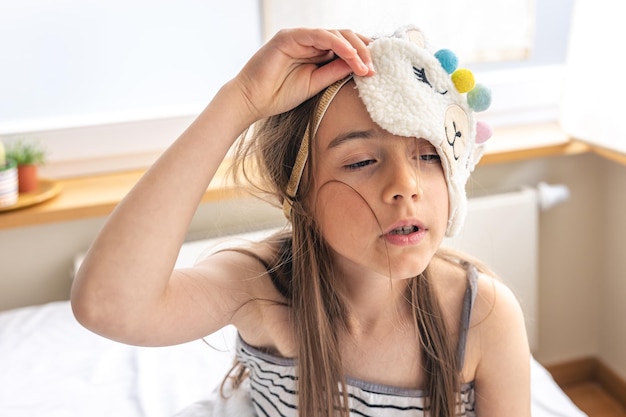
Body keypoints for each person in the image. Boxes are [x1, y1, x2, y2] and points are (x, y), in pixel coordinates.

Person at [71, 24, 531, 417]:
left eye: (428, 155)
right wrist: (240, 100)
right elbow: (108, 305)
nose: (405, 184)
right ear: (300, 193)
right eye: (361, 161)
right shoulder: (262, 285)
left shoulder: (482, 317)